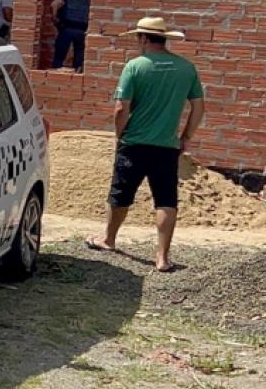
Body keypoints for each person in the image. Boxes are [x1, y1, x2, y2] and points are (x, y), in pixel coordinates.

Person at [87, 17, 204, 273]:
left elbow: (121, 108)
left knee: (120, 193)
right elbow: (198, 106)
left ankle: (108, 238)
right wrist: (185, 137)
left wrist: (120, 135)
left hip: (135, 142)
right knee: (165, 199)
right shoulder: (186, 68)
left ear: (142, 38)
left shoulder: (135, 67)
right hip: (166, 145)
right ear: (164, 38)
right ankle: (162, 258)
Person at [50, 0, 92, 72]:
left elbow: (54, 5)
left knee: (59, 57)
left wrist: (54, 18)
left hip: (66, 28)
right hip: (82, 31)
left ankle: (55, 74)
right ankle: (77, 76)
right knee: (79, 59)